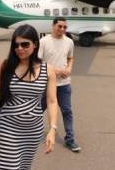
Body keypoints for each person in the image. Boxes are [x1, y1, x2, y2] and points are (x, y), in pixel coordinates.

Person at [0, 24, 58, 170]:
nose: (20, 48)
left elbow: (52, 101)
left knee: (24, 167)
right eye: (16, 45)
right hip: (8, 127)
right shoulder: (6, 66)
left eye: (25, 44)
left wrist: (52, 129)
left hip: (33, 130)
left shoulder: (47, 69)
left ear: (35, 44)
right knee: (7, 167)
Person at [38, 16, 82, 152]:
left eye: (65, 27)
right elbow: (37, 62)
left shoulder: (69, 42)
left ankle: (70, 140)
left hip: (64, 84)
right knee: (37, 109)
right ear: (53, 26)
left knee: (67, 111)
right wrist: (54, 70)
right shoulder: (43, 41)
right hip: (46, 84)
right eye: (59, 26)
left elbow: (71, 58)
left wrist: (69, 68)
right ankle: (26, 134)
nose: (62, 29)